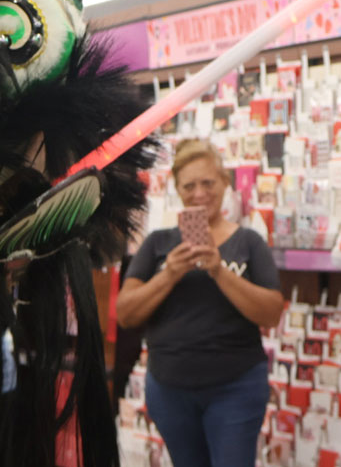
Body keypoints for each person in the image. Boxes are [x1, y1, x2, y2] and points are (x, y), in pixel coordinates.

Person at [117, 138, 284, 467]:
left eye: (208, 182)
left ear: (224, 182)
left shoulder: (248, 242)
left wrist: (219, 271)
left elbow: (272, 312)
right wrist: (169, 274)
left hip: (236, 387)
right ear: (177, 190)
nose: (199, 193)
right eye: (189, 185)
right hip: (169, 390)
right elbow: (125, 313)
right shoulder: (158, 244)